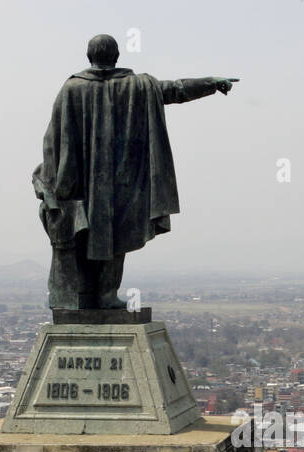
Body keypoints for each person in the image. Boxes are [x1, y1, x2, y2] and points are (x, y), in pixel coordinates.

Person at [33, 34, 238, 312]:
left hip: (80, 184)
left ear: (89, 56)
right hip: (123, 182)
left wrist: (50, 180)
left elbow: (52, 141)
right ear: (116, 56)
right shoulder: (137, 86)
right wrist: (211, 83)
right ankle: (103, 294)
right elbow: (174, 90)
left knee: (85, 237)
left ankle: (87, 295)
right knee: (114, 238)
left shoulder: (71, 89)